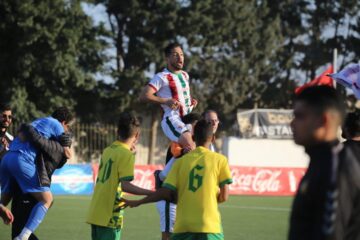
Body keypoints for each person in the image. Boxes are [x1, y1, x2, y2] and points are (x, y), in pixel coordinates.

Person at [124, 119, 233, 240]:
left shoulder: (180, 162)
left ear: (193, 137)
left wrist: (138, 202)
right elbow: (224, 197)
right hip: (209, 226)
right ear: (213, 138)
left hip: (183, 227)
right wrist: (211, 195)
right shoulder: (220, 160)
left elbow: (165, 192)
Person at [289, 86, 360, 240]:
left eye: (299, 116)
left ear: (324, 120)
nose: (292, 123)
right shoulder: (322, 161)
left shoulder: (336, 167)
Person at [0, 107, 74, 240]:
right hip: (22, 160)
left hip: (7, 158)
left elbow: (21, 134)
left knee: (4, 200)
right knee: (47, 200)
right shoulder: (56, 124)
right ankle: (23, 236)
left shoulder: (38, 122)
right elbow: (67, 153)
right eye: (67, 127)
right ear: (64, 122)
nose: (67, 130)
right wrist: (66, 142)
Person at [87, 112, 154, 240]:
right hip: (110, 214)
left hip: (96, 211)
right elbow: (126, 186)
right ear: (137, 135)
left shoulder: (108, 150)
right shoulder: (125, 154)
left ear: (118, 131)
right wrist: (152, 193)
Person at [139, 43, 197, 151]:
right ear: (167, 58)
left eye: (182, 54)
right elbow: (144, 96)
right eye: (175, 55)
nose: (180, 58)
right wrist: (165, 101)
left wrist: (190, 103)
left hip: (187, 120)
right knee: (191, 146)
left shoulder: (185, 75)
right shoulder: (162, 77)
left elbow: (182, 96)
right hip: (173, 119)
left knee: (202, 145)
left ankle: (172, 162)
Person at [155, 113, 201, 240]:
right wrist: (183, 151)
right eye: (196, 125)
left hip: (181, 197)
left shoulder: (195, 143)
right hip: (169, 197)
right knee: (168, 235)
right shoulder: (178, 140)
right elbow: (176, 151)